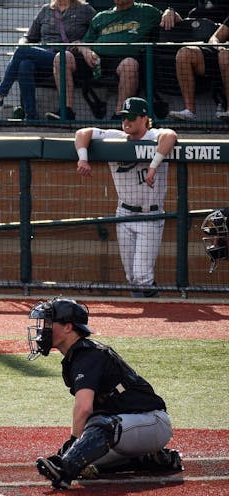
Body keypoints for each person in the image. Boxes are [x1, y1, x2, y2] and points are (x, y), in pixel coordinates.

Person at [26, 297, 181, 490]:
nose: (43, 329)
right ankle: (149, 459)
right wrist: (77, 448)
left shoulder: (88, 355)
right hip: (129, 429)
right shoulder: (76, 358)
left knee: (96, 431)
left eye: (49, 323)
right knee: (88, 454)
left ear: (68, 327)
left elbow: (84, 408)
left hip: (151, 421)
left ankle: (65, 471)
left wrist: (73, 445)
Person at [74, 97, 178, 296]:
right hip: (124, 213)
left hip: (150, 215)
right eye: (124, 117)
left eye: (131, 117)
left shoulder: (155, 135)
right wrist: (83, 159)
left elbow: (170, 135)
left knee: (142, 276)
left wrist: (153, 166)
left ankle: (155, 311)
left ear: (144, 118)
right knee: (131, 276)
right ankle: (141, 316)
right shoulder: (116, 136)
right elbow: (82, 133)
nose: (126, 122)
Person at [0, 0, 96, 121]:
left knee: (22, 52)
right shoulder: (46, 10)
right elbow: (29, 37)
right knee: (25, 64)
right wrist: (22, 43)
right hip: (45, 56)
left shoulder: (85, 10)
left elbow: (97, 32)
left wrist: (83, 44)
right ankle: (31, 115)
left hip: (70, 57)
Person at [48, 0, 163, 120]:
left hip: (124, 60)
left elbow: (173, 17)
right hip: (96, 59)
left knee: (130, 64)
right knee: (62, 58)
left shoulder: (147, 11)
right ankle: (66, 111)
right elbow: (85, 43)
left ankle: (120, 115)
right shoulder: (101, 17)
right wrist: (86, 50)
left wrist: (170, 13)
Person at [161, 8, 229, 122]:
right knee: (185, 53)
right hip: (223, 59)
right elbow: (214, 38)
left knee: (225, 56)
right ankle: (189, 111)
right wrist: (219, 46)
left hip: (225, 59)